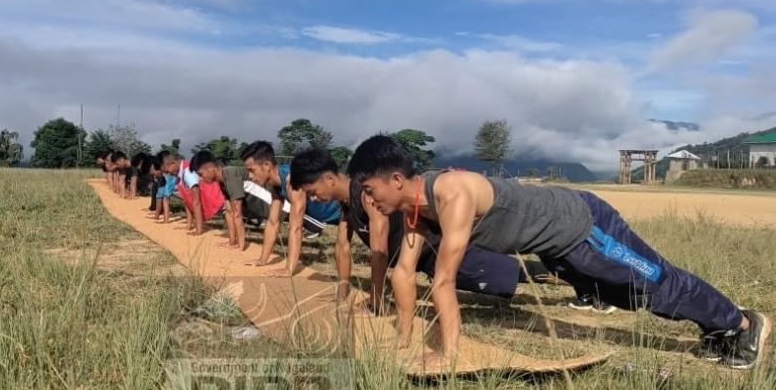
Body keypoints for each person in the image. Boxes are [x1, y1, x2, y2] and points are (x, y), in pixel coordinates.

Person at [348, 134, 769, 370]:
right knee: (629, 298)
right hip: (558, 250)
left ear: (397, 179)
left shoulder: (451, 192)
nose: (368, 201)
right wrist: (402, 342)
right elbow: (404, 273)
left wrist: (446, 355)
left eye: (370, 191)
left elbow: (443, 280)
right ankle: (716, 328)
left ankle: (741, 322)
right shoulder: (418, 211)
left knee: (657, 283)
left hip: (584, 227)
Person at [289, 148, 570, 315]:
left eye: (313, 192)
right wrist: (343, 286)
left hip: (440, 248)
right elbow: (342, 246)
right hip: (426, 262)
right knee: (504, 277)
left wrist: (376, 301)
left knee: (515, 271)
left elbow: (379, 252)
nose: (314, 199)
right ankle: (577, 279)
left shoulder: (366, 196)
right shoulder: (346, 203)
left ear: (328, 179)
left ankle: (580, 284)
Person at [241, 141, 341, 277]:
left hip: (342, 211)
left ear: (266, 166)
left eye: (252, 170)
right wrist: (262, 260)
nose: (250, 176)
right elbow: (272, 222)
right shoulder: (274, 184)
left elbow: (296, 228)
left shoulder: (292, 182)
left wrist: (289, 269)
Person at [191, 150, 249, 250]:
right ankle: (232, 241)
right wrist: (231, 242)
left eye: (201, 174)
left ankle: (240, 244)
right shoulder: (222, 181)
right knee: (229, 211)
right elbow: (229, 211)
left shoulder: (230, 174)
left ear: (210, 167)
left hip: (270, 203)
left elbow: (237, 213)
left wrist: (240, 247)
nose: (200, 179)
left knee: (235, 212)